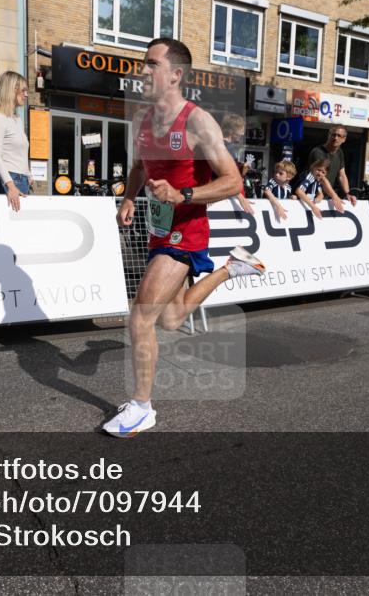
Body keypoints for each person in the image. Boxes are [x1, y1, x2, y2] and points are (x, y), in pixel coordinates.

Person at [105, 38, 265, 438]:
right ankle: (231, 269)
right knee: (173, 319)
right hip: (160, 229)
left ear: (175, 75)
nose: (143, 70)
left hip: (185, 229)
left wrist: (183, 195)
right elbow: (140, 165)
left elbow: (231, 181)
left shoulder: (197, 121)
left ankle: (142, 408)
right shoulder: (142, 120)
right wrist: (128, 198)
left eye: (152, 64)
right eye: (143, 64)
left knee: (141, 316)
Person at [0, 71, 32, 211]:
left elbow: (21, 153)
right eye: (23, 90)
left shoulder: (17, 120)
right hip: (9, 180)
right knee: (7, 229)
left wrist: (28, 174)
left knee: (18, 228)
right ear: (11, 90)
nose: (26, 95)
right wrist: (10, 185)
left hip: (21, 179)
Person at [306, 126, 352, 209]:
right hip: (312, 196)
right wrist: (335, 196)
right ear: (329, 135)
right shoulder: (318, 152)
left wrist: (347, 194)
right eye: (333, 135)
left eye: (339, 136)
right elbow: (321, 177)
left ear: (344, 139)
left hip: (327, 197)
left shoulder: (339, 153)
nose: (335, 138)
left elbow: (342, 175)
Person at [221, 113, 254, 214]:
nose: (243, 133)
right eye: (241, 130)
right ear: (232, 131)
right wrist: (240, 197)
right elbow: (224, 176)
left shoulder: (226, 146)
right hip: (225, 194)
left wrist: (243, 169)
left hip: (228, 193)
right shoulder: (226, 147)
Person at [294, 153, 338, 221]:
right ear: (313, 168)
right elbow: (299, 191)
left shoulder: (317, 180)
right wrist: (313, 206)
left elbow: (321, 194)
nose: (320, 173)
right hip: (296, 204)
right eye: (318, 170)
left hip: (305, 205)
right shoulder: (310, 177)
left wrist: (316, 199)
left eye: (323, 172)